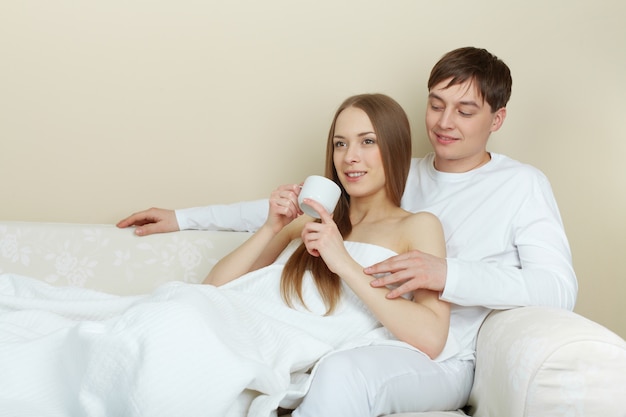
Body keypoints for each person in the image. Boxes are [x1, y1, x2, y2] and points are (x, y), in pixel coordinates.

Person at [117, 47, 578, 416]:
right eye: (436, 105)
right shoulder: (399, 172)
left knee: (340, 373)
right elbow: (298, 208)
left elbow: (558, 288)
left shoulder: (521, 185)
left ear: (496, 119)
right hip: (363, 327)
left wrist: (446, 274)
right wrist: (185, 217)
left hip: (443, 352)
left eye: (464, 111)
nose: (443, 122)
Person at [0, 94, 467, 416]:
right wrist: (271, 227)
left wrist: (344, 262)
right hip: (218, 320)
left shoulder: (417, 227)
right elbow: (213, 290)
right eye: (340, 143)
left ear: (395, 147)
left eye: (367, 141)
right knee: (149, 324)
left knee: (167, 347)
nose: (350, 157)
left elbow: (430, 338)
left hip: (259, 345)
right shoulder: (313, 225)